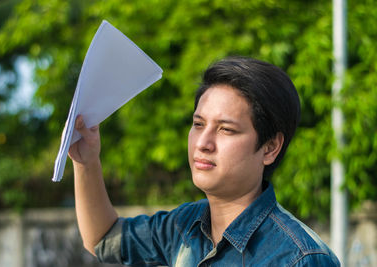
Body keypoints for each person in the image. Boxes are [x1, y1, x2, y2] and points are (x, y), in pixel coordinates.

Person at [69, 56, 340, 266]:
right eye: (198, 124)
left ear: (270, 147)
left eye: (226, 129)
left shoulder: (300, 258)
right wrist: (86, 162)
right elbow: (103, 239)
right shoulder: (184, 226)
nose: (203, 143)